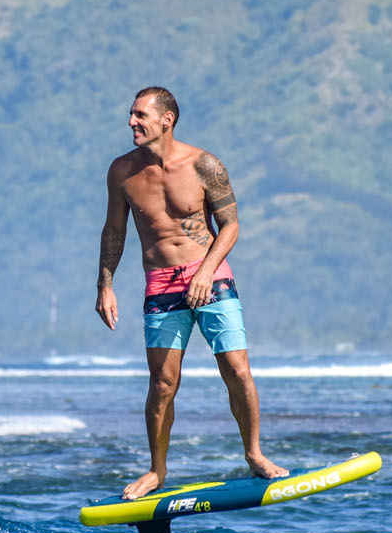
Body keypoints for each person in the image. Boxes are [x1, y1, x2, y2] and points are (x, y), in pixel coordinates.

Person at [95, 86, 288, 499]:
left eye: (140, 115)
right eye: (131, 114)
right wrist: (105, 285)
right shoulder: (122, 171)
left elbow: (231, 226)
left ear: (166, 120)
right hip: (161, 282)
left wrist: (206, 271)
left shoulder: (204, 165)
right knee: (162, 383)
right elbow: (114, 231)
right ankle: (156, 471)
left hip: (211, 276)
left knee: (236, 370)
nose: (131, 122)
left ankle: (254, 454)